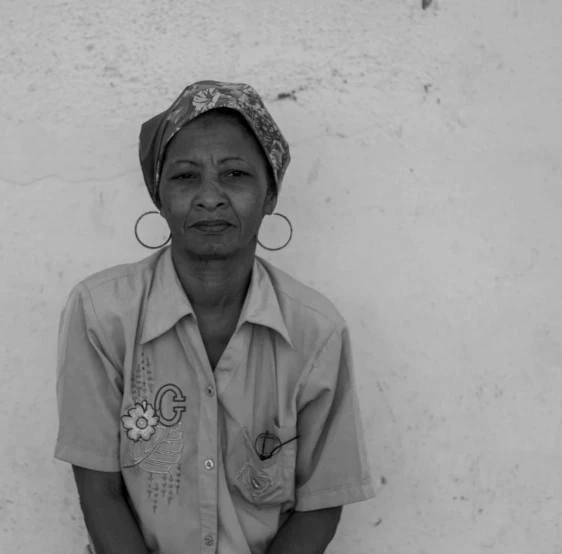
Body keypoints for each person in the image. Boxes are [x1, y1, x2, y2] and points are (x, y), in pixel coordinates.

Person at [54, 80, 375, 554]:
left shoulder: (315, 331)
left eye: (235, 175)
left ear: (270, 196)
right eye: (185, 176)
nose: (209, 197)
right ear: (158, 195)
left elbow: (321, 503)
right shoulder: (103, 313)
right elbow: (99, 490)